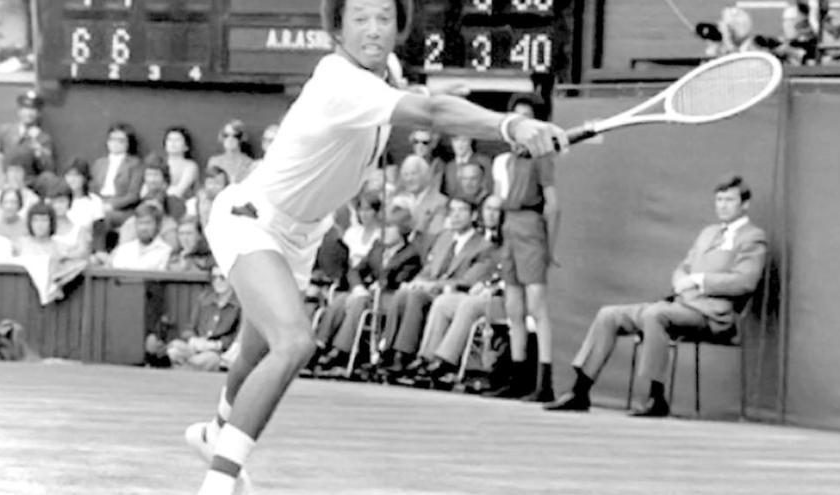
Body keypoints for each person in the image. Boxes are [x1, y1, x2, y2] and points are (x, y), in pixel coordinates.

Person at [187, 0, 568, 493]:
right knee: (294, 343)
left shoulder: (384, 70)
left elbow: (417, 96)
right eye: (360, 18)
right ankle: (218, 483)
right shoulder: (338, 81)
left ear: (399, 25)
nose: (373, 30)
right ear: (337, 28)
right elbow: (429, 111)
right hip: (251, 219)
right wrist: (511, 125)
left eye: (384, 18)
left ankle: (218, 432)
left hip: (300, 235)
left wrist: (444, 96)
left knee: (255, 353)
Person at [544, 176, 767, 417]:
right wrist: (681, 279)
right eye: (719, 199)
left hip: (714, 315)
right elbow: (685, 266)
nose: (722, 205)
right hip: (681, 304)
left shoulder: (752, 237)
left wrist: (698, 281)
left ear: (744, 205)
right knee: (609, 315)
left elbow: (745, 281)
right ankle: (580, 390)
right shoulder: (708, 233)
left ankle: (655, 397)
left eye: (730, 200)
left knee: (655, 315)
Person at [486, 94, 561, 403]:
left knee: (537, 307)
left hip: (530, 226)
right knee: (513, 307)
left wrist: (550, 248)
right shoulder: (510, 159)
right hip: (509, 226)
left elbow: (553, 205)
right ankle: (518, 376)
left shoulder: (541, 158)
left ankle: (545, 381)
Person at [379, 196, 496, 375]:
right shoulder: (444, 238)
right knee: (403, 293)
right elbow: (428, 269)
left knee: (416, 296)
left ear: (473, 216)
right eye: (452, 211)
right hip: (431, 288)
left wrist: (431, 286)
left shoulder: (483, 246)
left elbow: (468, 280)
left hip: (452, 292)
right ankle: (387, 350)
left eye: (461, 211)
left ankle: (405, 354)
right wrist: (416, 282)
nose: (455, 216)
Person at [314, 211, 421, 372]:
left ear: (402, 232)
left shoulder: (410, 254)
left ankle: (341, 350)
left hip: (388, 297)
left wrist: (377, 283)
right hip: (369, 293)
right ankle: (320, 343)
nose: (383, 232)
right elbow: (356, 270)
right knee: (343, 298)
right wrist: (358, 286)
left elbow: (396, 280)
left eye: (390, 228)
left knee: (360, 301)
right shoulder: (377, 247)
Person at [164, 266, 242, 371]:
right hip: (196, 348)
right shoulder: (204, 299)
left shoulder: (239, 305)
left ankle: (185, 368)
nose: (218, 281)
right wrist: (194, 340)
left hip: (217, 352)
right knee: (174, 348)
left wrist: (216, 345)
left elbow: (236, 336)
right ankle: (191, 366)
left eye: (222, 277)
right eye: (214, 278)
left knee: (210, 359)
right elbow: (189, 328)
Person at [89, 123, 144, 229]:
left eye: (121, 140)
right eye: (112, 139)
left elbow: (133, 195)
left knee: (101, 218)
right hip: (98, 203)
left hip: (121, 209)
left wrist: (111, 205)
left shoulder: (135, 164)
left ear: (128, 143)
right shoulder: (99, 163)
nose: (115, 143)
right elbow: (92, 188)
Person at [0, 90, 55, 189]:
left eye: (33, 109)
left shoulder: (43, 139)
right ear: (19, 111)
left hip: (29, 186)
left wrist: (38, 149)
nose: (29, 113)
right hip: (4, 184)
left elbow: (49, 168)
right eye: (26, 109)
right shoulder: (5, 132)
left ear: (38, 113)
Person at [95, 203, 172, 271]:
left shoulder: (166, 251)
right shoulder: (124, 249)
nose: (143, 228)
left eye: (148, 223)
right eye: (140, 223)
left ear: (158, 225)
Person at [207, 119, 254, 184]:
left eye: (236, 136)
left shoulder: (249, 163)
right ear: (221, 137)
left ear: (242, 138)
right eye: (226, 135)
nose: (230, 139)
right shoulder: (214, 161)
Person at [161, 126, 200, 198]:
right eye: (169, 139)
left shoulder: (190, 166)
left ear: (186, 146)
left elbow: (180, 190)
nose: (173, 143)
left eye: (177, 140)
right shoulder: (159, 163)